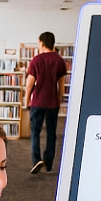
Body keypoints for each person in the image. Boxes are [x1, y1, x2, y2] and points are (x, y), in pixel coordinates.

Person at [24, 32, 67, 174]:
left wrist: (26, 101)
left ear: (41, 42)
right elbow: (61, 85)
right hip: (52, 103)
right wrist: (59, 100)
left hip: (37, 102)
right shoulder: (60, 60)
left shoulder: (36, 60)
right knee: (51, 133)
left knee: (35, 132)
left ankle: (37, 160)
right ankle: (48, 162)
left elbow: (29, 84)